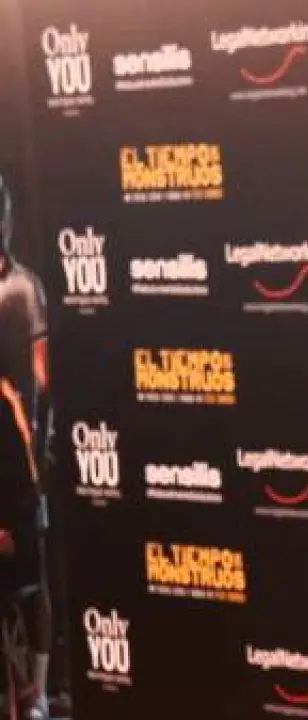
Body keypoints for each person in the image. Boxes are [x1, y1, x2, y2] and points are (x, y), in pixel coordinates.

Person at [0, 171, 53, 720]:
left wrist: (33, 429)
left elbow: (43, 377)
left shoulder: (24, 287)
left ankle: (37, 691)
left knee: (34, 580)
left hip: (22, 461)